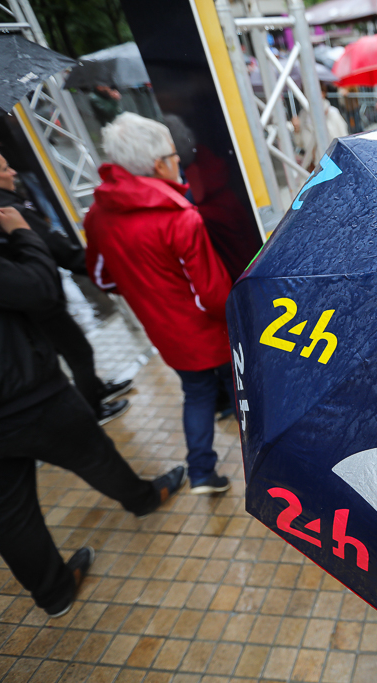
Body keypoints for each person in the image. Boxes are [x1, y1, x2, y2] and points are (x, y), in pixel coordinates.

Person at [0, 176, 185, 619]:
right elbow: (37, 290)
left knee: (5, 505)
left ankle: (52, 593)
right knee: (93, 453)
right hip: (18, 393)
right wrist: (21, 233)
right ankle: (143, 499)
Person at [84, 113, 234, 495]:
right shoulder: (180, 219)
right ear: (157, 164)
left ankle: (201, 471)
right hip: (207, 331)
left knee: (196, 394)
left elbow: (102, 277)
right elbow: (212, 295)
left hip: (164, 333)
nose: (179, 160)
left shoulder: (98, 214)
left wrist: (145, 288)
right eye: (173, 153)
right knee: (245, 387)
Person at [0, 142, 133, 424]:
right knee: (79, 352)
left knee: (65, 350)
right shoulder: (5, 209)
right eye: (5, 168)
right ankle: (93, 411)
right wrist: (116, 273)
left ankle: (95, 389)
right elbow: (60, 251)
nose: (13, 173)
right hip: (38, 298)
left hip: (9, 306)